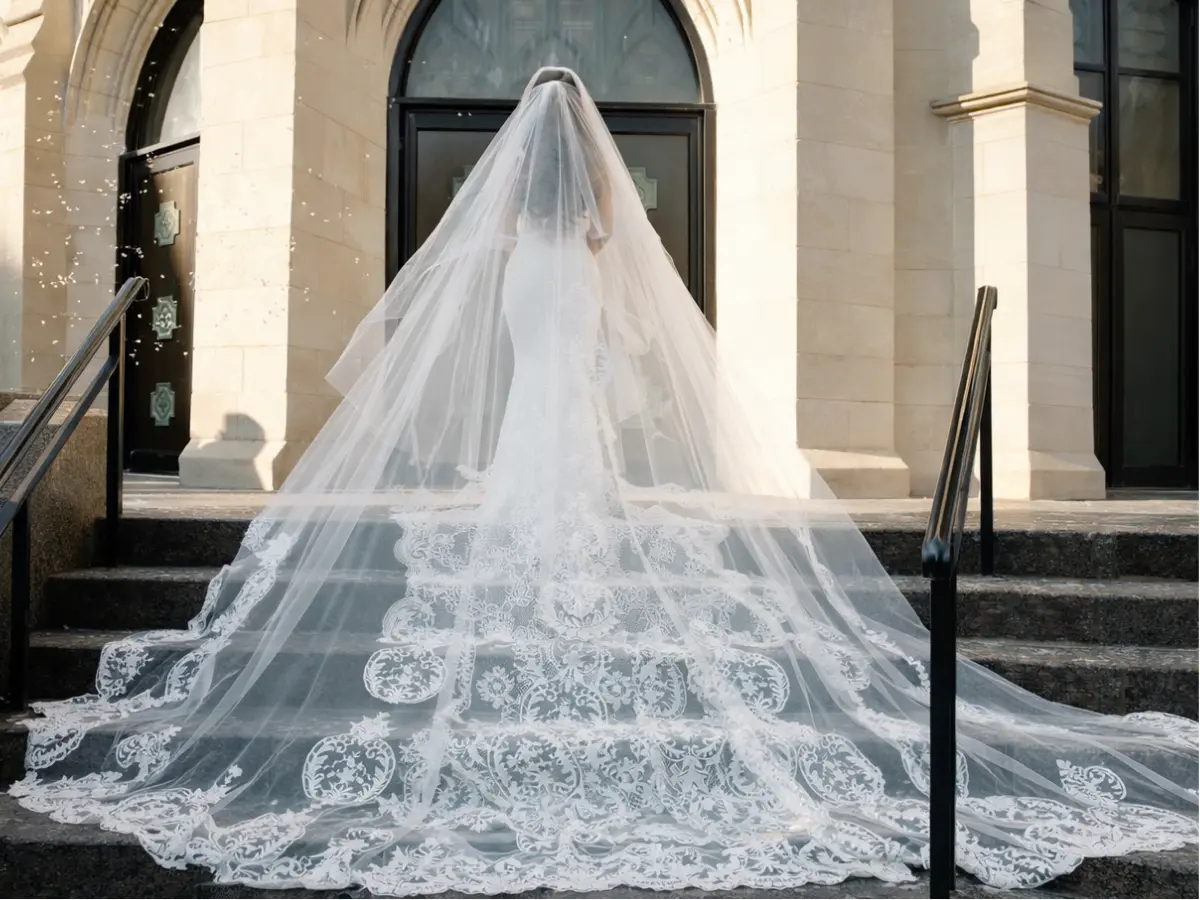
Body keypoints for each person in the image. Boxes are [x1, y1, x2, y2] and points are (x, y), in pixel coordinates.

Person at [11, 67, 1196, 896]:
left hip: (534, 311)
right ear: (589, 154)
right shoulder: (589, 236)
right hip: (563, 312)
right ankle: (569, 519)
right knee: (563, 392)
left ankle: (533, 523)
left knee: (539, 391)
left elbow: (481, 315)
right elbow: (622, 319)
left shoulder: (512, 238)